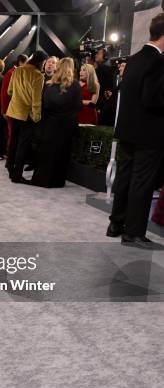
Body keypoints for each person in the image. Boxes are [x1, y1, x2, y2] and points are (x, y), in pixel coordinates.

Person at [107, 13, 164, 245]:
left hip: (128, 131)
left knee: (124, 177)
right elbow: (153, 99)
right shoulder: (159, 62)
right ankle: (133, 232)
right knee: (142, 182)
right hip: (149, 133)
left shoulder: (135, 58)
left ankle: (116, 224)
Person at [31, 58, 82, 188]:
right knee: (61, 153)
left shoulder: (49, 84)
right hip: (66, 125)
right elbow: (78, 106)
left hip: (49, 124)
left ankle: (42, 179)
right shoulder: (75, 85)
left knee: (47, 153)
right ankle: (57, 181)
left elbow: (44, 105)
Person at [6, 51, 48, 183]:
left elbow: (10, 91)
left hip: (13, 111)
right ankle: (17, 175)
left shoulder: (18, 70)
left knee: (13, 141)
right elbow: (36, 101)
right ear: (41, 62)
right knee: (22, 145)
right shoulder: (38, 76)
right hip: (26, 114)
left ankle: (10, 167)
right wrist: (36, 117)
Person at [1, 54, 28, 162]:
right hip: (11, 110)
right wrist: (4, 110)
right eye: (27, 63)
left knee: (16, 135)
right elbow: (4, 93)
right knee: (12, 134)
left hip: (18, 110)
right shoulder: (11, 73)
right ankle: (11, 159)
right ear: (21, 62)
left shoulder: (19, 73)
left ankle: (14, 157)